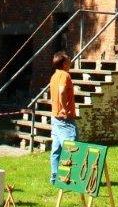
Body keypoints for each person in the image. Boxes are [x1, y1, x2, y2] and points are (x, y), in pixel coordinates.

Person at [49, 51, 77, 185]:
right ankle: (68, 179)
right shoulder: (65, 75)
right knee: (71, 149)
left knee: (56, 150)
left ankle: (55, 178)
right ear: (64, 63)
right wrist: (65, 109)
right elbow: (61, 91)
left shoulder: (54, 76)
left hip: (55, 118)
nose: (71, 62)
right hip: (64, 120)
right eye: (69, 60)